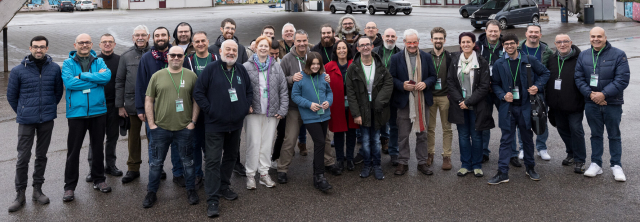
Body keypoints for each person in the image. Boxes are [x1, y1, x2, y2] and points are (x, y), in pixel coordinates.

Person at [193, 39, 253, 217]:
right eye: (228, 49)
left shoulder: (241, 69)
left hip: (235, 124)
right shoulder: (210, 69)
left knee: (231, 157)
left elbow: (249, 91)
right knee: (212, 160)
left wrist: (244, 107)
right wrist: (211, 110)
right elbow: (198, 92)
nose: (231, 52)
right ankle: (212, 198)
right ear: (220, 51)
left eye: (234, 50)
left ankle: (224, 186)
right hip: (214, 124)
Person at [7, 35, 63, 212]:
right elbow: (11, 96)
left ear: (47, 49)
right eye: (35, 47)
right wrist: (23, 111)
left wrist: (47, 109)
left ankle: (37, 190)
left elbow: (57, 92)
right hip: (26, 120)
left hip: (46, 119)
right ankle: (20, 193)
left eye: (42, 47)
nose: (39, 50)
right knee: (23, 157)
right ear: (30, 48)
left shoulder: (54, 68)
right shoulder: (18, 70)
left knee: (41, 155)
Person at [142, 46, 200, 208]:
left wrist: (192, 122)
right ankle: (151, 192)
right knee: (155, 164)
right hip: (160, 128)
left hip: (183, 128)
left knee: (188, 163)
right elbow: (149, 100)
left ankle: (191, 190)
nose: (176, 57)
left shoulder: (191, 76)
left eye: (179, 55)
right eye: (172, 55)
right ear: (167, 57)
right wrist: (151, 124)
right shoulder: (157, 76)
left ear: (183, 57)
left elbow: (196, 100)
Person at [488, 33, 550, 185]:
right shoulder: (499, 64)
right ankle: (502, 172)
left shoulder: (529, 60)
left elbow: (545, 73)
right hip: (508, 108)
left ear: (517, 44)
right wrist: (503, 95)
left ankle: (530, 168)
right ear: (503, 46)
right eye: (506, 44)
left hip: (525, 107)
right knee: (506, 141)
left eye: (511, 43)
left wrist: (537, 86)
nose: (509, 46)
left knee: (527, 139)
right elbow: (494, 84)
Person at [62, 33, 113, 201]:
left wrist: (83, 76)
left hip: (98, 111)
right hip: (76, 112)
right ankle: (69, 187)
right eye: (81, 43)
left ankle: (99, 179)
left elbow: (106, 77)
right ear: (75, 44)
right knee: (73, 151)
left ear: (91, 44)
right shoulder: (68, 63)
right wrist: (95, 80)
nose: (84, 45)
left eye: (87, 42)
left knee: (98, 147)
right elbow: (70, 83)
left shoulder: (99, 61)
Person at [575, 27, 630, 182]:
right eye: (593, 36)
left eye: (599, 36)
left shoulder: (619, 55)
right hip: (591, 102)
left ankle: (616, 165)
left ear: (605, 37)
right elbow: (578, 78)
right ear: (590, 37)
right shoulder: (584, 55)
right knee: (595, 134)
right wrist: (591, 94)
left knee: (614, 135)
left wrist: (603, 94)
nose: (596, 39)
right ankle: (596, 163)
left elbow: (622, 79)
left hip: (612, 102)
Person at [277, 29, 331, 183]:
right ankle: (282, 168)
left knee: (324, 138)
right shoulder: (287, 59)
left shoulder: (313, 55)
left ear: (308, 40)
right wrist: (291, 78)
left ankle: (329, 162)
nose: (301, 44)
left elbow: (321, 72)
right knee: (290, 138)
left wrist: (326, 76)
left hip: (315, 107)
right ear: (294, 42)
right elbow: (280, 80)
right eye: (298, 41)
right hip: (295, 107)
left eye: (304, 40)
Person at [136, 27, 185, 186]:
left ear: (169, 37)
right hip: (155, 111)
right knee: (156, 146)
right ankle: (157, 173)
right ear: (153, 38)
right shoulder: (147, 58)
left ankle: (178, 173)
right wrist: (140, 109)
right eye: (157, 35)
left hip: (177, 110)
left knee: (177, 145)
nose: (160, 38)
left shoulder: (177, 55)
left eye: (163, 35)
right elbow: (141, 85)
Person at [242, 36, 288, 189]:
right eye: (260, 45)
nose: (263, 48)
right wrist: (245, 105)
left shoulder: (276, 67)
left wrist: (282, 110)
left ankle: (264, 173)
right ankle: (250, 175)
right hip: (253, 112)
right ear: (255, 48)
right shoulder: (246, 67)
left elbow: (283, 89)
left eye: (266, 46)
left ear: (270, 49)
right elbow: (241, 89)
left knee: (267, 144)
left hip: (271, 112)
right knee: (253, 143)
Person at [389, 29, 437, 176]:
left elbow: (433, 77)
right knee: (403, 135)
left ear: (418, 42)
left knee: (422, 134)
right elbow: (391, 79)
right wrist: (402, 85)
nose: (412, 45)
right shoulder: (396, 58)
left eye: (414, 42)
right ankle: (403, 162)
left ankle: (422, 162)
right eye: (409, 42)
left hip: (422, 102)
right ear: (404, 42)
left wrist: (426, 83)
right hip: (404, 102)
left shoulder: (426, 57)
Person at [345, 36, 393, 180]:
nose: (365, 47)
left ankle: (377, 165)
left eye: (368, 44)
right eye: (362, 45)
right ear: (358, 48)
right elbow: (351, 93)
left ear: (372, 46)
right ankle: (367, 165)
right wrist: (356, 114)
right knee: (365, 140)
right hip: (362, 109)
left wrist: (380, 101)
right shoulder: (353, 68)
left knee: (376, 140)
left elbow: (388, 83)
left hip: (377, 108)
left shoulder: (379, 65)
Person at [446, 32, 494, 178]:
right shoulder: (454, 60)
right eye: (463, 42)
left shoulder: (481, 61)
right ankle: (465, 164)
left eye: (469, 42)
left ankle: (477, 165)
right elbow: (451, 83)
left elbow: (484, 86)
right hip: (459, 105)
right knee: (463, 136)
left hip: (476, 105)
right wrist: (461, 101)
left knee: (477, 135)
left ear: (474, 44)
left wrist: (468, 102)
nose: (466, 44)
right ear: (460, 44)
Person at [208, 18, 249, 176]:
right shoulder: (213, 48)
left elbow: (244, 71)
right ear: (221, 29)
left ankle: (236, 162)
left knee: (235, 136)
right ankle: (216, 167)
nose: (230, 31)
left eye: (232, 28)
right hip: (218, 98)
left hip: (235, 98)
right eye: (227, 28)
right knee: (218, 139)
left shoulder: (241, 49)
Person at [291, 52, 333, 192]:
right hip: (310, 116)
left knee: (321, 143)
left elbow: (329, 92)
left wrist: (328, 101)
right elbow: (295, 96)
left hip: (324, 115)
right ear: (308, 64)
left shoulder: (323, 77)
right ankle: (320, 176)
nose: (315, 66)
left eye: (318, 64)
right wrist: (309, 104)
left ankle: (317, 174)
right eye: (313, 63)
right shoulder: (301, 78)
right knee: (320, 142)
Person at [512, 24, 555, 163]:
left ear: (540, 35)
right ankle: (523, 148)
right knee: (523, 121)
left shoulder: (546, 51)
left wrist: (538, 86)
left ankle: (542, 147)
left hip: (540, 91)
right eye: (531, 32)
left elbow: (548, 72)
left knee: (541, 118)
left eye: (536, 32)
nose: (533, 34)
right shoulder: (518, 48)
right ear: (526, 33)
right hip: (521, 92)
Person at [545, 34, 586, 173]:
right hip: (557, 105)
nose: (562, 44)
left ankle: (580, 159)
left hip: (575, 104)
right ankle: (571, 153)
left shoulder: (580, 59)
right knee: (562, 129)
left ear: (571, 43)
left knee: (576, 130)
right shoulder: (551, 59)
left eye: (565, 42)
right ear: (555, 44)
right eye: (559, 42)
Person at [116, 25, 151, 184]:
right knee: (133, 138)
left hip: (153, 103)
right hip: (131, 104)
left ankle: (156, 165)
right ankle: (133, 168)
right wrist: (120, 105)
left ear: (149, 36)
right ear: (133, 37)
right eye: (137, 35)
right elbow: (120, 81)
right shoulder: (126, 56)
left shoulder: (155, 54)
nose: (140, 37)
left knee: (154, 137)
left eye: (143, 34)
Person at [182, 31, 217, 188]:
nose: (200, 43)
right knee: (195, 143)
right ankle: (197, 174)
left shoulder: (216, 59)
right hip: (194, 110)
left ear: (208, 42)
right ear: (193, 44)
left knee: (211, 145)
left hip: (212, 110)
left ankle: (212, 174)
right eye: (197, 41)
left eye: (203, 40)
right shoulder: (187, 60)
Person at [86, 33, 123, 182]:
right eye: (104, 42)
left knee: (112, 138)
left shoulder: (120, 60)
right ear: (99, 45)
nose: (107, 44)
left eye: (110, 42)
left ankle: (111, 165)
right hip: (97, 105)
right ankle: (93, 169)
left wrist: (122, 104)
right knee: (95, 139)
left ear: (114, 44)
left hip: (114, 105)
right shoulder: (93, 61)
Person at [325, 40, 358, 172]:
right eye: (339, 48)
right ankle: (339, 159)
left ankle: (349, 158)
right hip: (336, 104)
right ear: (335, 51)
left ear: (348, 50)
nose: (341, 51)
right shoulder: (328, 66)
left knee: (351, 132)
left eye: (344, 48)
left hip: (352, 104)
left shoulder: (355, 65)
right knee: (338, 133)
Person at [426, 27, 454, 170]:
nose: (438, 40)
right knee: (429, 128)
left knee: (447, 128)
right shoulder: (425, 56)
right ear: (431, 40)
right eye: (435, 38)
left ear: (444, 39)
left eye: (440, 38)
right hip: (430, 97)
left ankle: (446, 156)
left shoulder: (449, 56)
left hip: (445, 97)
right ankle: (429, 154)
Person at [476, 20, 503, 163]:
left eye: (496, 31)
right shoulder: (477, 46)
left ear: (500, 32)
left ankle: (511, 153)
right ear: (485, 31)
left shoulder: (506, 45)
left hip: (501, 91)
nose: (493, 33)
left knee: (507, 122)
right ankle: (483, 151)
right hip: (483, 91)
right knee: (484, 122)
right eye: (490, 31)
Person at [373, 28, 401, 161]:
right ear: (383, 37)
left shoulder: (400, 53)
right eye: (388, 36)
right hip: (377, 94)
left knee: (394, 124)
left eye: (393, 36)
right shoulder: (374, 52)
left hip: (395, 94)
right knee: (378, 123)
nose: (390, 38)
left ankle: (394, 151)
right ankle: (375, 152)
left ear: (396, 38)